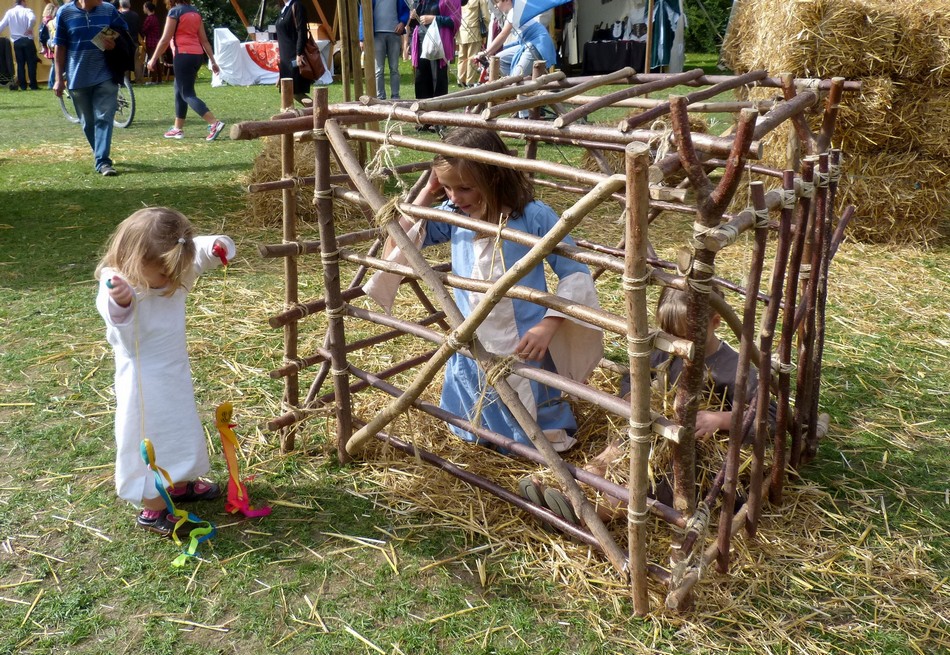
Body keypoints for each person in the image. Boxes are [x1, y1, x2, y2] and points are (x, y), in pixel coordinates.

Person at [365, 128, 604, 453]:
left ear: (494, 178)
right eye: (446, 186)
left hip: (523, 342)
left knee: (534, 420)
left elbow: (575, 273)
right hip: (473, 339)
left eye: (464, 188)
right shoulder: (451, 215)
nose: (453, 196)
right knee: (473, 415)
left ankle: (531, 443)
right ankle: (482, 435)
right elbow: (401, 244)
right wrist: (427, 195)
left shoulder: (532, 217)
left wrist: (548, 325)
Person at [522, 286, 777, 525]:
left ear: (715, 323)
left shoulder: (734, 368)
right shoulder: (665, 348)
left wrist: (719, 419)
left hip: (692, 456)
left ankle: (585, 514)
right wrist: (631, 395)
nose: (676, 344)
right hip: (653, 430)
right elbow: (635, 373)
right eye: (670, 335)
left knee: (639, 488)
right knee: (610, 453)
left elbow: (768, 417)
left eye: (684, 337)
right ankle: (566, 490)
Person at [95, 207, 234, 536]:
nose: (174, 281)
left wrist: (220, 246)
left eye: (177, 271)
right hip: (145, 383)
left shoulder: (169, 264)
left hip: (174, 372)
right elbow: (116, 321)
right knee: (148, 439)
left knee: (180, 428)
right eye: (164, 274)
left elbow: (201, 250)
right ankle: (152, 508)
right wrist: (122, 302)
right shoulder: (119, 283)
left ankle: (177, 482)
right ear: (133, 260)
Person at [52, 0, 129, 176]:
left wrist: (115, 42)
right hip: (78, 77)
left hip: (105, 75)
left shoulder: (108, 10)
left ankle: (103, 161)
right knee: (88, 122)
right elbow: (60, 47)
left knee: (104, 117)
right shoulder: (65, 13)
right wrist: (58, 78)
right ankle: (100, 155)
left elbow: (124, 32)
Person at [148, 0, 224, 141]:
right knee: (179, 89)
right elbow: (204, 40)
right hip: (196, 56)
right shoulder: (195, 12)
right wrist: (213, 61)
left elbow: (165, 39)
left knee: (187, 93)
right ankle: (178, 129)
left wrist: (153, 59)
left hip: (183, 55)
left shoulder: (174, 12)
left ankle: (214, 123)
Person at [479, 0, 555, 79]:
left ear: (507, 1)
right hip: (527, 43)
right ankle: (517, 81)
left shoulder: (514, 12)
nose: (495, 6)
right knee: (499, 59)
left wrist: (486, 52)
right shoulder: (512, 12)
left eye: (497, 2)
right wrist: (487, 53)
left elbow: (503, 35)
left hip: (536, 44)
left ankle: (516, 81)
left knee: (516, 77)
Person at [407, 0, 460, 108]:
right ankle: (423, 116)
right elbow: (413, 24)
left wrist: (434, 18)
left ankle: (439, 118)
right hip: (421, 41)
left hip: (439, 42)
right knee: (421, 78)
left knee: (438, 78)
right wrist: (413, 16)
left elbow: (455, 20)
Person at [358, 0, 409, 100]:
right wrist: (362, 37)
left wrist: (403, 22)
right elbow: (363, 13)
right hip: (376, 34)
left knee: (394, 68)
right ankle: (380, 98)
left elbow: (405, 8)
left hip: (394, 33)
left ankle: (395, 97)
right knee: (378, 69)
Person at [274, 0, 313, 107]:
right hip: (285, 59)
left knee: (295, 90)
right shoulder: (284, 9)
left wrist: (299, 53)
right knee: (286, 90)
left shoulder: (297, 6)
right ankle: (289, 116)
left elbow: (302, 32)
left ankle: (319, 110)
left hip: (294, 56)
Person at [0, 0, 38, 90]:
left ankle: (23, 85)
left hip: (17, 41)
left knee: (20, 64)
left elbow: (2, 25)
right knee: (31, 63)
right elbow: (32, 19)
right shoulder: (27, 10)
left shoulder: (9, 12)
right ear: (22, 2)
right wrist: (30, 28)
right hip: (28, 39)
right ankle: (33, 85)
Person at [455, 0, 487, 88]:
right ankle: (470, 81)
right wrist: (487, 29)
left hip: (461, 30)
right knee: (472, 57)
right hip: (474, 30)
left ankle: (460, 80)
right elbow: (485, 16)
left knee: (462, 57)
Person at [115, 0, 139, 81]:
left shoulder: (120, 16)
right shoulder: (136, 15)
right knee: (136, 63)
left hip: (124, 43)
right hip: (135, 41)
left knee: (124, 63)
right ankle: (139, 80)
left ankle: (126, 81)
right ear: (130, 5)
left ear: (120, 5)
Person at [140, 1, 160, 84]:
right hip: (155, 41)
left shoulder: (149, 18)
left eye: (144, 7)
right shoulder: (155, 17)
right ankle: (159, 79)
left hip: (150, 42)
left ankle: (154, 79)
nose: (143, 9)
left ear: (147, 8)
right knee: (156, 60)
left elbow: (143, 29)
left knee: (152, 59)